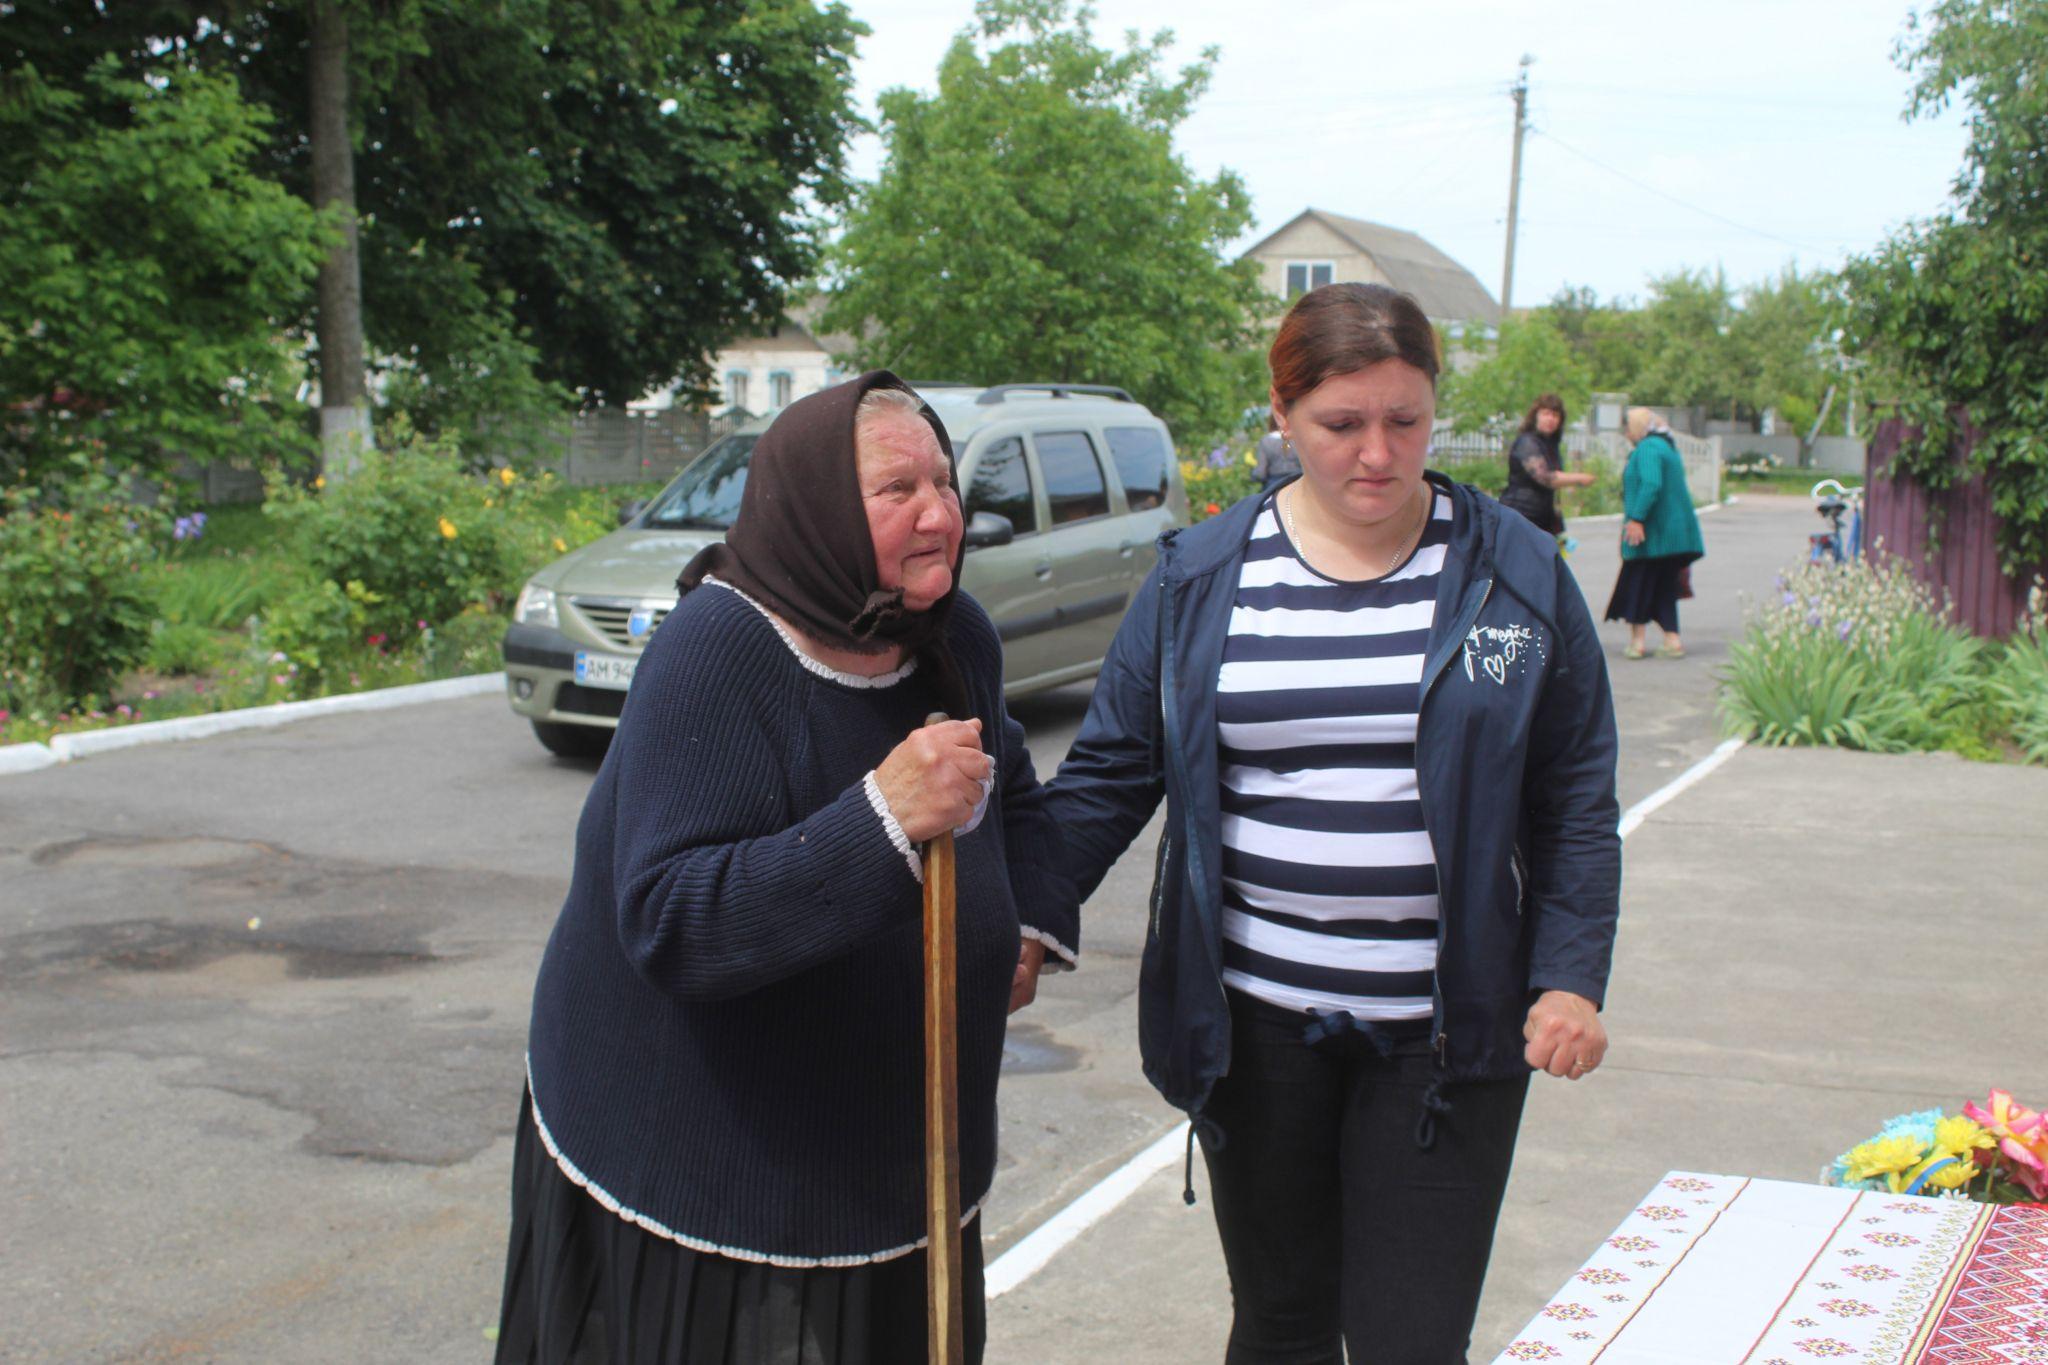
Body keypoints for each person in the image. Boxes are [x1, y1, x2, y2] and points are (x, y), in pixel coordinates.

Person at [1041, 283, 1621, 1365]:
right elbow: (1110, 773)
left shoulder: (1516, 574)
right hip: (1257, 1034)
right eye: (1341, 423)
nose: (1377, 453)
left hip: (1446, 1035)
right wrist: (1024, 919)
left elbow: (1573, 796)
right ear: (1281, 412)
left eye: (1405, 419)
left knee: (1411, 1342)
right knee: (1282, 1327)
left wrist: (1568, 976)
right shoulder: (1199, 579)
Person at [493, 371, 1077, 1365]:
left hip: (907, 1155)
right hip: (719, 1172)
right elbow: (672, 920)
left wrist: (1027, 920)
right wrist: (882, 818)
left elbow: (1009, 780)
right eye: (898, 490)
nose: (940, 515)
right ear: (817, 507)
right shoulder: (717, 651)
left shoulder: (952, 634)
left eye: (944, 482)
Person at [1604, 407, 1705, 660]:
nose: (1626, 433)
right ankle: (1672, 639)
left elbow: (1651, 484)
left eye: (1627, 427)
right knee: (1663, 587)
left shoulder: (1648, 449)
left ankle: (1637, 642)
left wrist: (1637, 518)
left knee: (1637, 583)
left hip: (1652, 535)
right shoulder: (1666, 447)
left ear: (1637, 427)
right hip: (1671, 537)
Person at [1499, 393, 1596, 539]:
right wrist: (1579, 478)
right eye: (1546, 413)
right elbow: (1545, 477)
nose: (1551, 419)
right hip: (1520, 517)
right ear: (1535, 416)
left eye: (1555, 415)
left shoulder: (1550, 444)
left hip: (1542, 519)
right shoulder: (1527, 442)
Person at [1252, 414, 1301, 489]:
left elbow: (1260, 473)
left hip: (1274, 485)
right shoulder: (1296, 439)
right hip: (1297, 483)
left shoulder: (1266, 441)